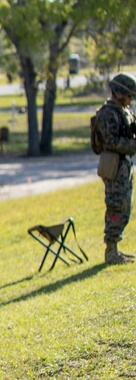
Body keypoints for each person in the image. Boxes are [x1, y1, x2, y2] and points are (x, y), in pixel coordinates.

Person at [93, 73, 136, 264]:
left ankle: (116, 249)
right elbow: (112, 141)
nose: (130, 100)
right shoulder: (107, 113)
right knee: (115, 205)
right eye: (128, 96)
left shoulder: (123, 111)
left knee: (126, 206)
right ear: (118, 93)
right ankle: (111, 252)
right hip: (113, 165)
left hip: (124, 165)